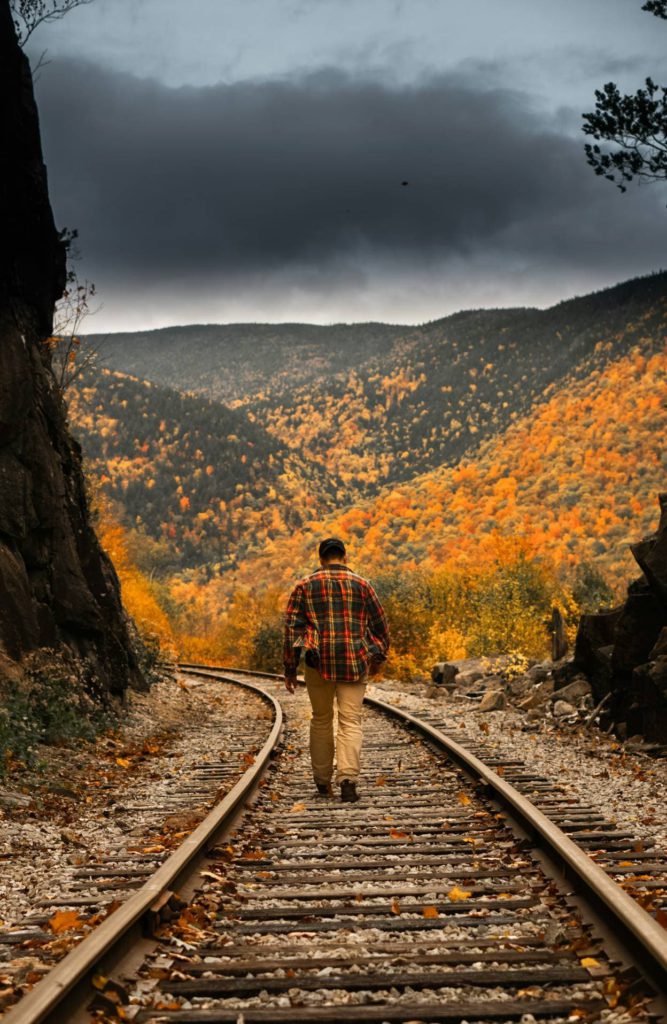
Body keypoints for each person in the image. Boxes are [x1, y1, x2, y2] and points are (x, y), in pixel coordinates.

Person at [283, 537, 390, 803]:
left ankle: (322, 781)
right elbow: (381, 626)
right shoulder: (363, 585)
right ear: (344, 557)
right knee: (350, 720)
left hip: (317, 662)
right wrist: (376, 655)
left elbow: (292, 630)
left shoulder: (304, 586)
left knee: (321, 719)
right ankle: (348, 779)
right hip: (355, 661)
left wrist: (290, 667)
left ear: (321, 559)